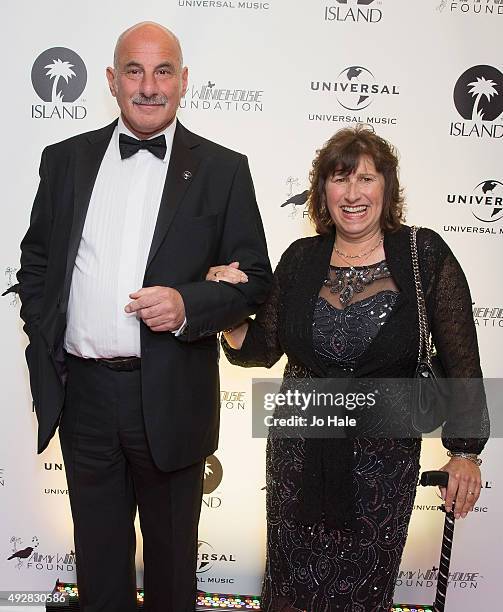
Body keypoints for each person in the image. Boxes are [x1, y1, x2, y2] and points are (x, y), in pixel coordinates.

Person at [17, 21, 271, 612]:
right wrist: (42, 322)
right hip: (82, 394)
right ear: (111, 80)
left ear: (184, 82)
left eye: (163, 72)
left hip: (171, 396)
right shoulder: (63, 161)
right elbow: (37, 260)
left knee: (172, 568)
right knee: (99, 564)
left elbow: (255, 280)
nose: (149, 86)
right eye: (135, 70)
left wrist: (189, 305)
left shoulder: (223, 169)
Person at [208, 126, 488, 611]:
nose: (353, 193)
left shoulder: (425, 254)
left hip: (380, 469)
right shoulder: (301, 259)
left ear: (387, 187)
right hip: (296, 457)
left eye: (366, 178)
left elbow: (463, 363)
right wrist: (225, 300)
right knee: (291, 589)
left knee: (359, 594)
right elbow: (257, 348)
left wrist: (465, 452)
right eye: (339, 180)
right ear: (323, 192)